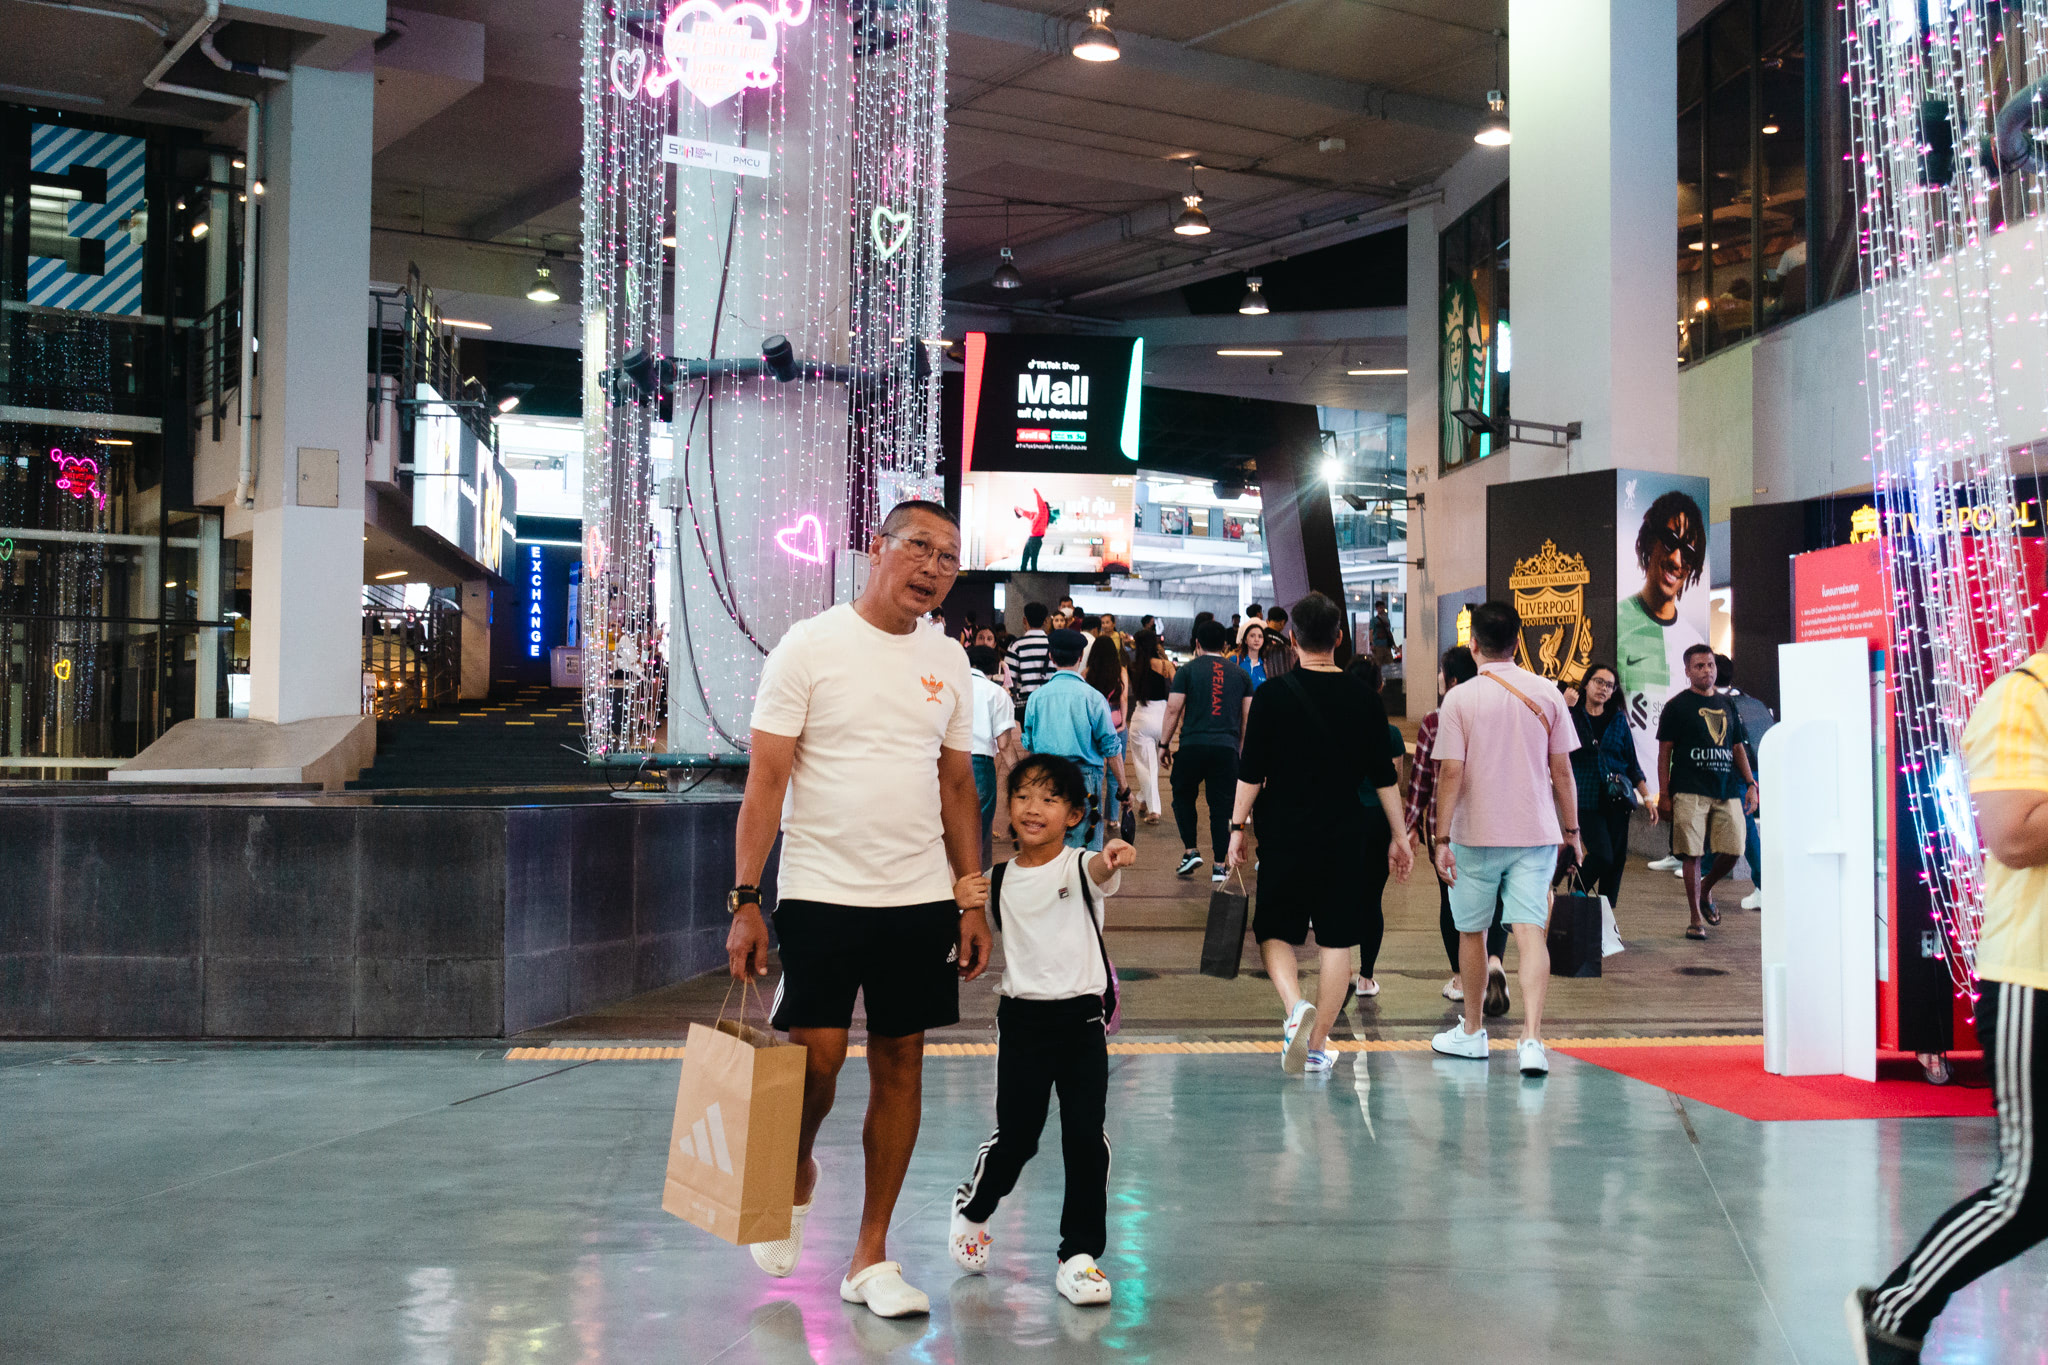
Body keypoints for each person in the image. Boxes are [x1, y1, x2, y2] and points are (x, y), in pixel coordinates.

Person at [726, 499, 991, 1319]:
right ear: (876, 549)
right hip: (820, 891)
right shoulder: (810, 646)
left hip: (917, 899)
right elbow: (766, 779)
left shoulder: (948, 661)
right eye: (920, 548)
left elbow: (955, 784)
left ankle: (870, 1253)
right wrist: (745, 898)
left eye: (949, 557)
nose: (934, 568)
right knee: (819, 1060)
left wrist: (970, 894)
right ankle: (793, 1167)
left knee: (902, 1062)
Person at [1849, 655, 2048, 1365]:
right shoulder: (2023, 698)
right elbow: (2014, 833)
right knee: (2029, 1191)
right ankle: (1898, 1308)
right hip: (2035, 976)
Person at [951, 754, 1134, 1308]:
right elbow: (962, 915)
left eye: (1050, 799)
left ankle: (1078, 1255)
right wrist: (958, 901)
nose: (1034, 808)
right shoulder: (998, 879)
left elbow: (1102, 872)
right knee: (1019, 1137)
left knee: (1085, 1136)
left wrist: (1112, 856)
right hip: (1024, 1021)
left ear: (1074, 814)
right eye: (1024, 796)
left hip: (1080, 1020)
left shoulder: (1079, 866)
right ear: (1007, 809)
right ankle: (973, 1210)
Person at [1227, 592, 1414, 1074]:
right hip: (1345, 832)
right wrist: (1400, 836)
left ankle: (1294, 1007)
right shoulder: (1363, 700)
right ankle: (1315, 1046)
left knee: (1272, 929)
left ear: (1292, 638)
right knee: (1336, 940)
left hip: (1285, 829)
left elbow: (1251, 772)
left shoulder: (1271, 695)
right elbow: (1384, 777)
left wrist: (1235, 829)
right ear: (1339, 638)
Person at [1428, 600, 1582, 1078]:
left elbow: (1450, 772)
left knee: (1471, 931)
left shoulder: (1459, 699)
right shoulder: (1549, 693)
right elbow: (1562, 772)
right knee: (1530, 931)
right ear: (1518, 643)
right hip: (1535, 833)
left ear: (1472, 644)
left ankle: (1472, 1033)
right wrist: (1572, 831)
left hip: (1476, 835)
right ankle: (1532, 1040)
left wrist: (1440, 836)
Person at [1408, 646, 1509, 1009]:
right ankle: (1494, 962)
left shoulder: (1435, 720)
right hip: (1497, 823)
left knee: (1453, 903)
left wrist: (1409, 825)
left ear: (1450, 678)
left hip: (1448, 827)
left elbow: (1421, 779)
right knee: (1495, 898)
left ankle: (1461, 979)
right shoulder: (1501, 711)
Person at [1656, 644, 1757, 940]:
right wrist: (1663, 794)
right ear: (1687, 672)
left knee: (1735, 847)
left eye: (1710, 665)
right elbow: (1664, 753)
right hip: (1688, 790)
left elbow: (1737, 746)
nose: (1706, 670)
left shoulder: (1728, 704)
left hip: (1726, 789)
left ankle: (1707, 888)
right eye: (1699, 666)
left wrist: (1751, 784)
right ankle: (1695, 918)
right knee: (1692, 854)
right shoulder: (1676, 706)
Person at [1161, 620, 1255, 882]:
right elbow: (1247, 717)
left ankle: (1190, 850)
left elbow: (1173, 709)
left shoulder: (1187, 671)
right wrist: (1240, 750)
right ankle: (1218, 866)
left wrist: (1163, 744)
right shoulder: (1241, 675)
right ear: (1225, 645)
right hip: (1226, 749)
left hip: (1192, 746)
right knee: (1222, 807)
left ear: (1197, 644)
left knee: (1182, 795)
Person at [1023, 629, 1128, 852]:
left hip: (1045, 778)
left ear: (1051, 656)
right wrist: (1124, 790)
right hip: (1085, 780)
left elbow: (1029, 744)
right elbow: (1111, 747)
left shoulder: (1036, 698)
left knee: (1049, 848)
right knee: (1084, 853)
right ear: (1081, 657)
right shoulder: (1093, 698)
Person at [1569, 663, 1656, 912]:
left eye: (1609, 685)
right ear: (1586, 683)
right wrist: (1563, 705)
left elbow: (1632, 763)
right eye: (1598, 682)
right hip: (1585, 798)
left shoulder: (1618, 719)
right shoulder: (1572, 716)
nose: (1603, 688)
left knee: (1616, 861)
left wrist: (1648, 798)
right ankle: (1578, 890)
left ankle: (1605, 920)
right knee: (1602, 854)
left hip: (1617, 801)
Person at [1716, 653, 1775, 910]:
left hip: (1740, 773)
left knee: (1749, 830)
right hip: (1766, 769)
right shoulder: (1752, 701)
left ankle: (1764, 886)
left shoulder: (1719, 704)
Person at [968, 644, 1025, 870]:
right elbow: (1004, 744)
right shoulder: (997, 693)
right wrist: (1020, 775)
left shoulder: (948, 688)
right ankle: (975, 888)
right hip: (980, 766)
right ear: (994, 669)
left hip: (944, 763)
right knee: (978, 832)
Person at [1126, 630, 1172, 824]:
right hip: (1163, 716)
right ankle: (1143, 800)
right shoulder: (1165, 665)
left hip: (1142, 717)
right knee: (1151, 765)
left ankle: (1154, 810)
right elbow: (1177, 691)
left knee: (1145, 765)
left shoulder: (1132, 667)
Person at [1005, 601, 1054, 719]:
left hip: (1026, 706)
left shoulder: (1017, 645)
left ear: (1024, 620)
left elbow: (1008, 679)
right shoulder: (1053, 645)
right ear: (1046, 621)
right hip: (1051, 704)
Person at [1015, 489, 1050, 571]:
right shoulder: (1035, 515)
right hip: (1030, 539)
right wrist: (1017, 509)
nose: (1037, 506)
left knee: (1033, 563)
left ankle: (1033, 577)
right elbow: (1025, 513)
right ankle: (1022, 574)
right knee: (1024, 560)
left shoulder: (1043, 514)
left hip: (1035, 540)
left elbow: (1041, 504)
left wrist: (1035, 491)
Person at [1233, 621, 1270, 687]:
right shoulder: (1235, 660)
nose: (1256, 639)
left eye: (1260, 636)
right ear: (1245, 640)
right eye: (1252, 636)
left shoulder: (1267, 664)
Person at [1370, 602, 1397, 666]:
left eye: (1383, 607)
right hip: (1378, 645)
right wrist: (1371, 644)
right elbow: (1371, 632)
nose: (1382, 609)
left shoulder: (1387, 620)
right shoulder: (1374, 620)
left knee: (1389, 663)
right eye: (1380, 608)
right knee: (1378, 664)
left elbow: (1389, 632)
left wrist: (1394, 645)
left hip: (1387, 645)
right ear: (1377, 609)